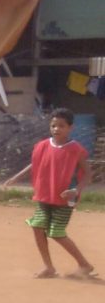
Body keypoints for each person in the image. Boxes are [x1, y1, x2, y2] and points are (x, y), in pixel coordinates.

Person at [27, 108, 95, 279]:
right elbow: (35, 163)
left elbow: (88, 174)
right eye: (54, 125)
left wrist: (76, 190)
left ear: (70, 128)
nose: (57, 129)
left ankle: (84, 264)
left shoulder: (75, 149)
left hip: (66, 199)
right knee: (36, 226)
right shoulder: (43, 145)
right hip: (45, 196)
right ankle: (48, 267)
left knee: (56, 232)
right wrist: (15, 178)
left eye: (61, 126)